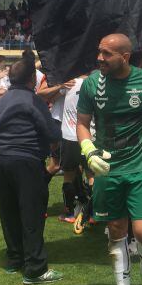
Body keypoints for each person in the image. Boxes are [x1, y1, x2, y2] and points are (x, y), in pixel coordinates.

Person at [76, 33, 142, 285]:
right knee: (116, 230)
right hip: (107, 169)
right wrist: (88, 149)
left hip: (140, 167)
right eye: (99, 51)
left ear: (125, 57)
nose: (100, 58)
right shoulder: (91, 84)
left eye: (107, 54)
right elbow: (83, 124)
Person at [0, 54, 64, 284]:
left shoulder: (3, 100)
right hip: (26, 158)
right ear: (33, 78)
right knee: (31, 212)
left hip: (1, 158)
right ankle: (35, 269)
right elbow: (52, 133)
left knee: (9, 209)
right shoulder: (33, 101)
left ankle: (15, 258)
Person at [58, 74, 88, 223]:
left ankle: (70, 212)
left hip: (70, 136)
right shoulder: (96, 82)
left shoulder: (70, 82)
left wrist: (60, 86)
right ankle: (94, 213)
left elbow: (43, 94)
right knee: (92, 175)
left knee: (68, 175)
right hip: (89, 136)